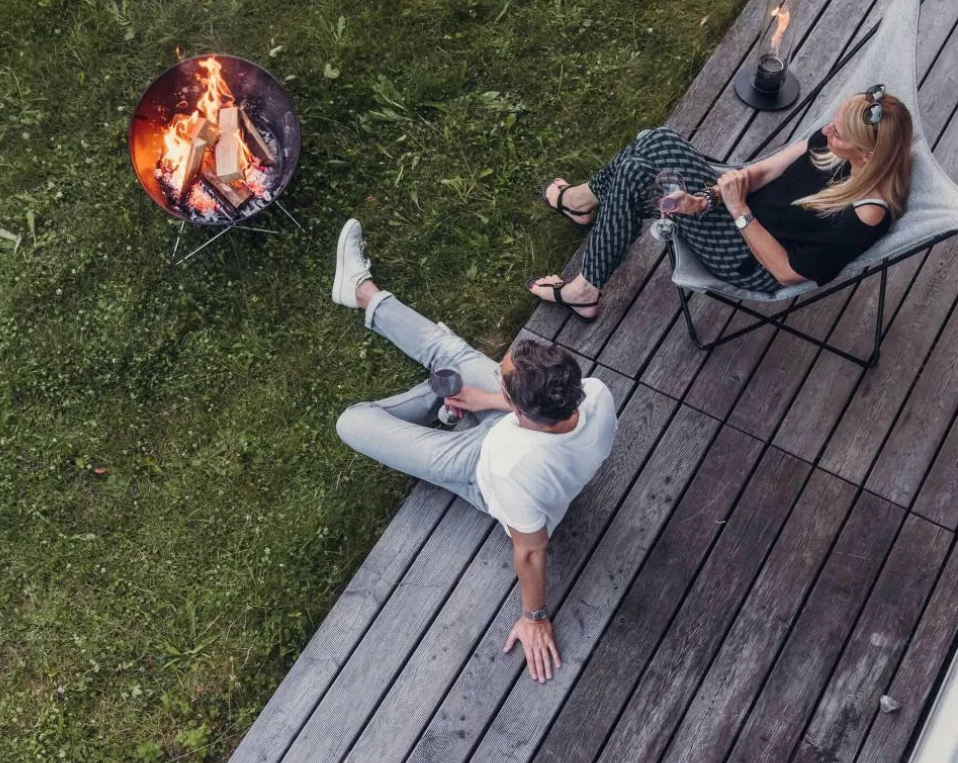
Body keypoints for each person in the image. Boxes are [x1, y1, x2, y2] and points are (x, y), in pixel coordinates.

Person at [332, 218, 618, 683]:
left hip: (477, 472)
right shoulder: (593, 394)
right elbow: (523, 409)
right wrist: (489, 398)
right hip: (516, 435)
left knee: (352, 422)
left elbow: (531, 551)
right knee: (451, 348)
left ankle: (435, 392)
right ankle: (361, 290)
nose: (499, 374)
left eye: (504, 382)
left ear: (522, 412)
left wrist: (535, 617)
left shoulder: (512, 466)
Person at [527, 85, 913, 321]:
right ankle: (582, 208)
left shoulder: (867, 214)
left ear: (867, 152)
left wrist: (738, 211)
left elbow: (786, 273)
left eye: (839, 132)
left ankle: (585, 281)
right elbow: (764, 171)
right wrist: (705, 199)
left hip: (749, 258)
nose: (827, 128)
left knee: (633, 173)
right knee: (658, 140)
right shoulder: (833, 146)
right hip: (735, 207)